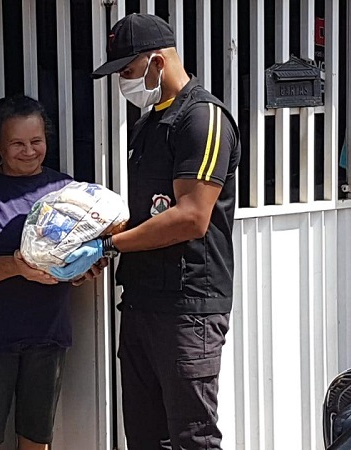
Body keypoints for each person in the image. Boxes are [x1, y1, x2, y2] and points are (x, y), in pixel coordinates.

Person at [50, 13, 242, 449]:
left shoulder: (204, 119)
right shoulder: (151, 123)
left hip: (187, 304)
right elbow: (148, 216)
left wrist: (109, 244)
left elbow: (192, 216)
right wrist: (97, 248)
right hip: (141, 300)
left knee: (192, 436)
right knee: (144, 435)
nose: (124, 82)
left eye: (128, 70)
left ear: (157, 61)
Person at [0, 95, 102, 450]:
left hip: (46, 334)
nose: (29, 151)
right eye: (17, 143)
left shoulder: (67, 190)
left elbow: (84, 251)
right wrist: (19, 267)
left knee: (37, 441)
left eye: (36, 141)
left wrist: (83, 269)